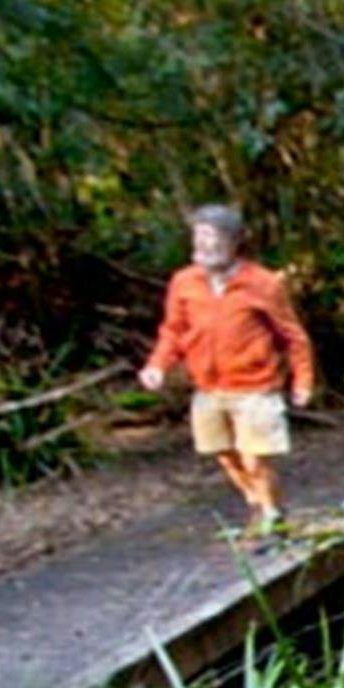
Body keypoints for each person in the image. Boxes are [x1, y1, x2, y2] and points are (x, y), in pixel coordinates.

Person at [138, 204, 315, 539]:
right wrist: (157, 365)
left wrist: (302, 381)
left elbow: (293, 336)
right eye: (199, 237)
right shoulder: (184, 282)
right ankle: (258, 501)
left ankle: (273, 516)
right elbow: (173, 330)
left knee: (255, 459)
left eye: (213, 237)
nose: (204, 245)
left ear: (234, 242)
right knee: (223, 453)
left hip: (256, 386)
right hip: (208, 386)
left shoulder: (262, 283)